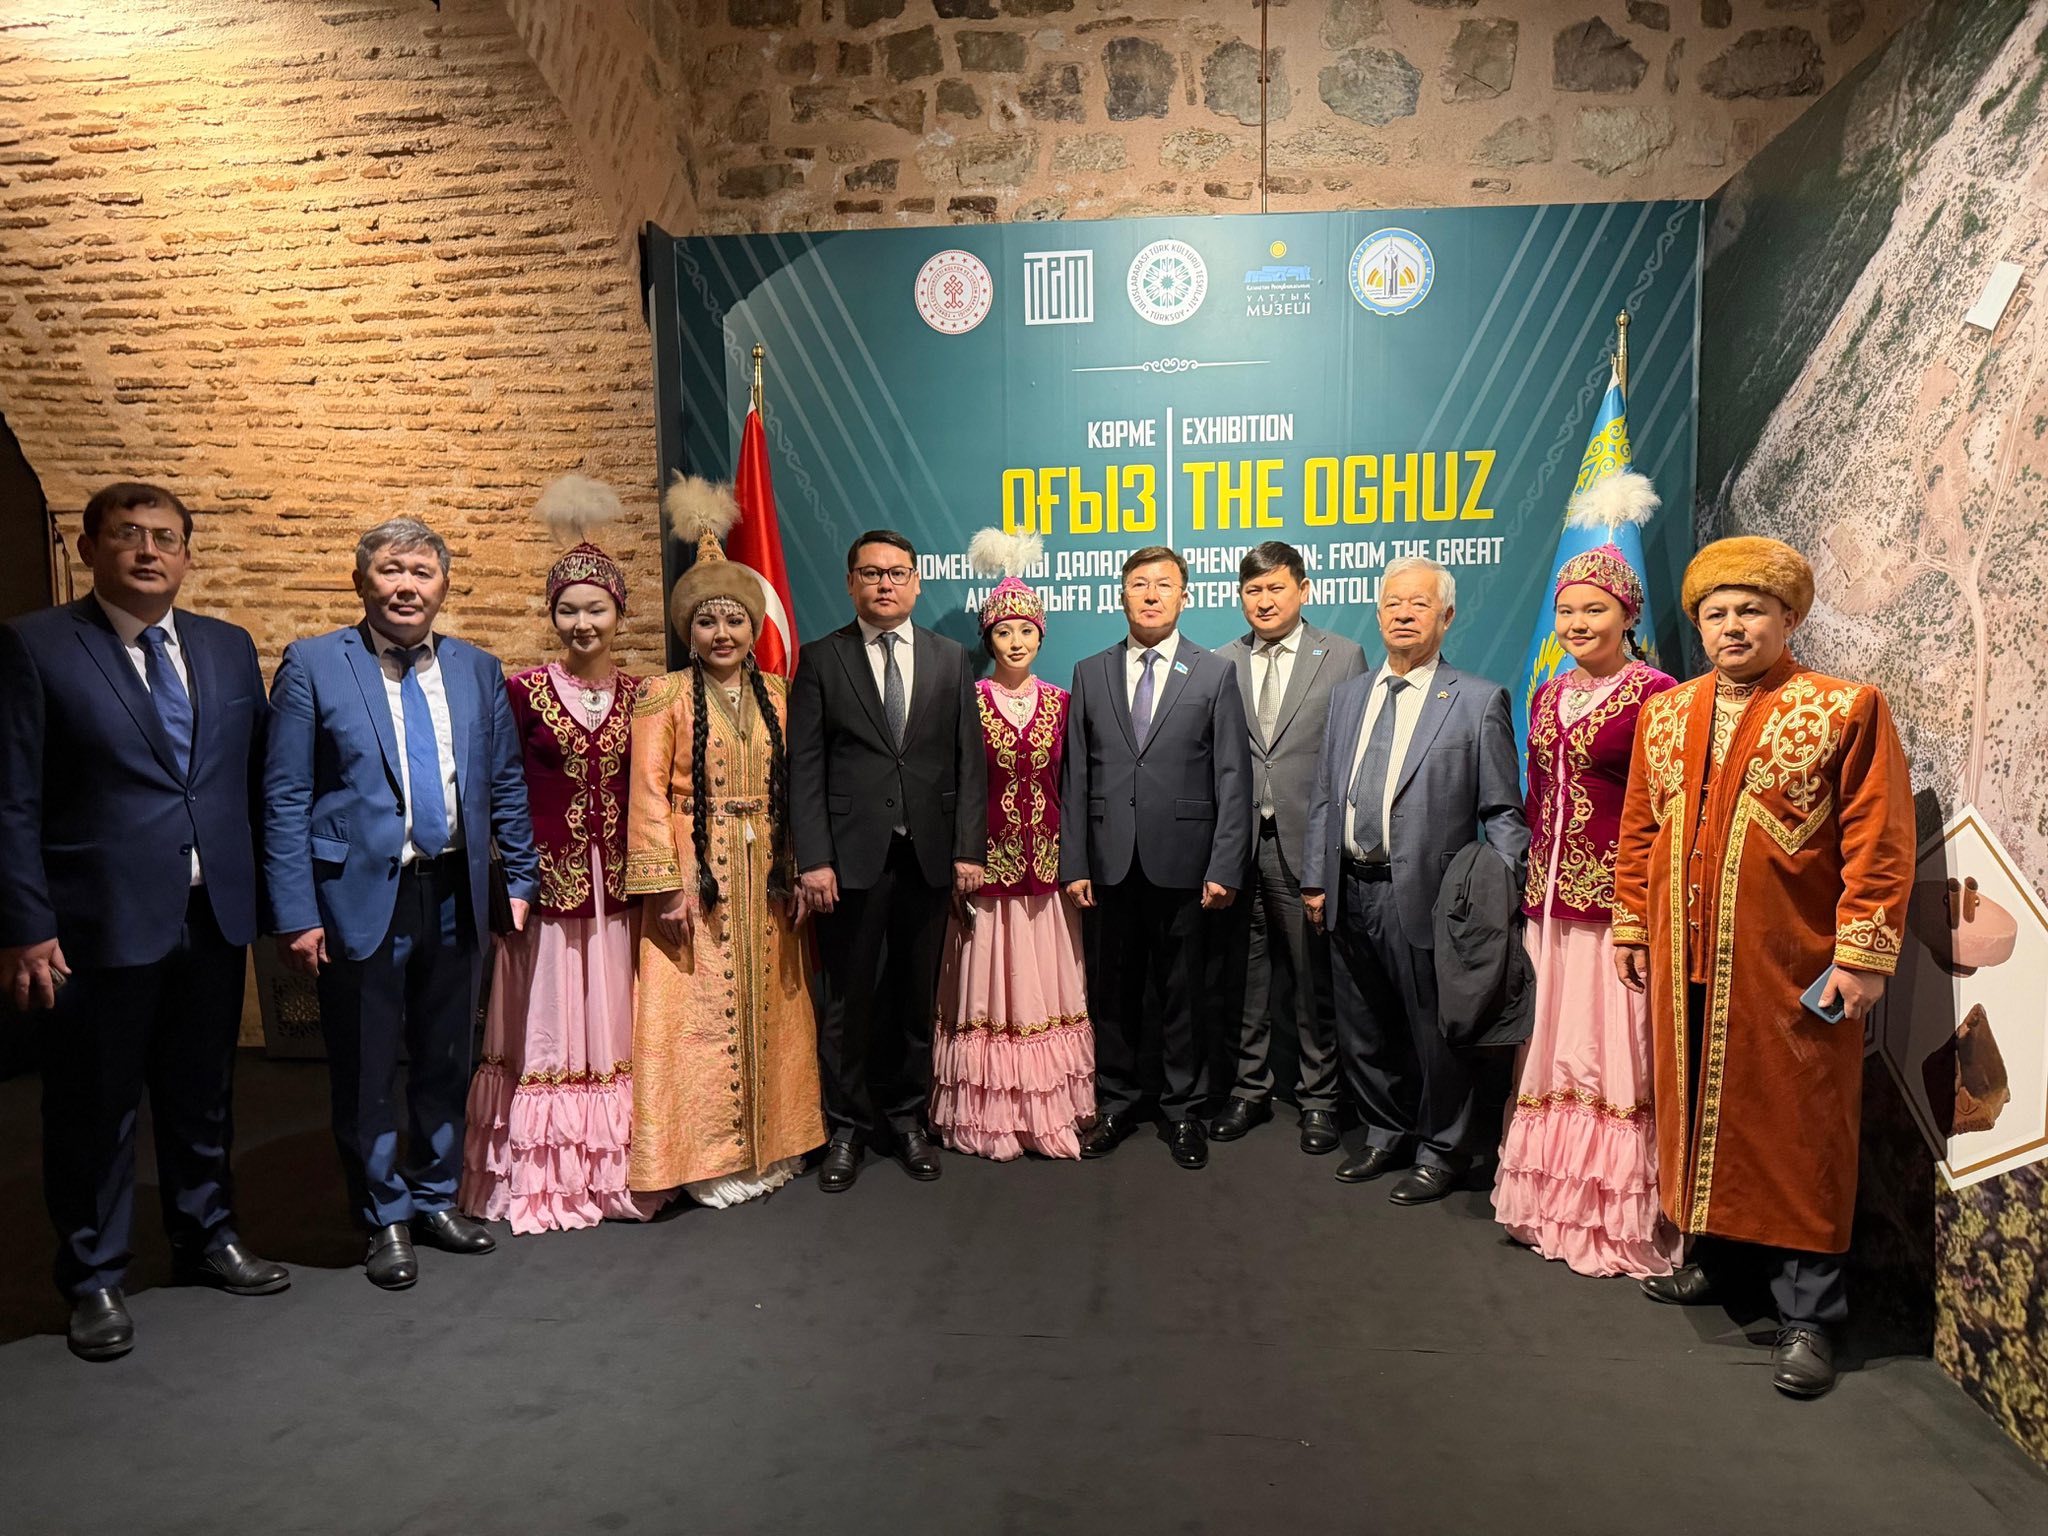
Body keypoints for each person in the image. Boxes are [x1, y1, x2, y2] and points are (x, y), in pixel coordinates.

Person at [1612, 536, 1913, 1398]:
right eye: (1716, 613)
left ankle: (1808, 1313)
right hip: (1687, 959)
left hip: (1791, 963)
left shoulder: (1845, 708)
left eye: (1751, 609)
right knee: (1701, 1108)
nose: (1732, 626)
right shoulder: (1667, 713)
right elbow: (1641, 827)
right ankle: (1721, 1265)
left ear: (1789, 618)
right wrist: (1632, 923)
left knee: (1797, 1124)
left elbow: (1879, 840)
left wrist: (1863, 954)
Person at [0, 482, 288, 1361]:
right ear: (89, 549)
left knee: (204, 1093)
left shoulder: (227, 647)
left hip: (210, 913)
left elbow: (255, 779)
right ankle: (94, 1275)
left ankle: (207, 1237)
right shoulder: (36, 647)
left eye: (165, 537)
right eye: (128, 534)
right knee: (95, 1106)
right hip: (95, 923)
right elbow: (11, 800)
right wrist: (25, 924)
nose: (148, 550)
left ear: (187, 555)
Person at [264, 517, 539, 1290]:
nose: (407, 585)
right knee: (366, 1064)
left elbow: (505, 783)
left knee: (447, 1056)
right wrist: (295, 911)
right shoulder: (314, 664)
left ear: (444, 584)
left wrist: (519, 882)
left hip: (455, 891)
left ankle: (434, 1197)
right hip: (357, 897)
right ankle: (383, 1214)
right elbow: (284, 795)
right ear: (361, 582)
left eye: (422, 571)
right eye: (391, 570)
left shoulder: (477, 669)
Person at [459, 478, 655, 1233]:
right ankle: (546, 1174)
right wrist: (507, 876)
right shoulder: (522, 692)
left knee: (617, 1024)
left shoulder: (646, 696)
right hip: (545, 891)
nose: (582, 623)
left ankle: (616, 1167)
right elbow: (496, 788)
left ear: (619, 613)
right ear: (552, 615)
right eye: (568, 610)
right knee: (543, 1024)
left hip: (623, 896)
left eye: (596, 608)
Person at [1302, 555, 1527, 1204]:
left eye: (1419, 603)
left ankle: (1442, 1150)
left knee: (1436, 1035)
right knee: (1362, 1026)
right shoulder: (1349, 696)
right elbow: (1325, 794)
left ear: (1447, 616)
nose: (1404, 614)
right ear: (1378, 613)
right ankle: (1384, 1133)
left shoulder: (1477, 700)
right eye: (1393, 603)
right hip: (1349, 887)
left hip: (1432, 900)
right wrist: (1316, 879)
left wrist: (1496, 896)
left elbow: (1503, 813)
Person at [623, 479, 824, 1206]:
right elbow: (647, 794)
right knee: (698, 1014)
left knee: (773, 1006)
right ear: (689, 630)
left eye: (734, 619)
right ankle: (703, 1154)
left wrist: (797, 868)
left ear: (752, 625)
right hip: (695, 873)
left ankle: (772, 1141)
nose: (722, 634)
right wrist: (665, 886)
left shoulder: (781, 697)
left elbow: (797, 789)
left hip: (766, 873)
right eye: (707, 621)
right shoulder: (664, 697)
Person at [1492, 539, 1680, 1278]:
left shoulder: (1658, 693)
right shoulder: (1548, 694)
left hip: (1615, 912)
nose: (1575, 623)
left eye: (1593, 609)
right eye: (1566, 610)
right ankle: (1549, 1203)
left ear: (1628, 615)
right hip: (1548, 909)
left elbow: (1664, 808)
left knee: (1610, 1054)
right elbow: (1538, 796)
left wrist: (1643, 902)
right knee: (1551, 1048)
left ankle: (1612, 1214)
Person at [789, 527, 986, 1193]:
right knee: (848, 1000)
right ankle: (846, 1127)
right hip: (848, 862)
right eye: (871, 573)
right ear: (850, 583)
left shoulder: (950, 658)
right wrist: (814, 858)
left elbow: (968, 761)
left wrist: (968, 848)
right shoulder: (822, 659)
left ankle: (907, 1119)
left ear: (917, 582)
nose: (885, 584)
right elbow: (805, 767)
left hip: (927, 857)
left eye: (897, 573)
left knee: (912, 995)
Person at [1063, 546, 1253, 1171]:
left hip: (1187, 864)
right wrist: (1075, 861)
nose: (1150, 595)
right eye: (1139, 584)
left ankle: (1184, 1110)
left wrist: (1225, 865)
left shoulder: (1213, 673)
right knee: (1113, 991)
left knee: (1184, 994)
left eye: (1164, 585)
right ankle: (1116, 1102)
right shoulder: (1089, 672)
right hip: (1110, 862)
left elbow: (1233, 776)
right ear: (1121, 595)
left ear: (1184, 596)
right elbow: (1076, 776)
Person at [930, 530, 1095, 1160]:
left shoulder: (1063, 703)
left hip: (1046, 878)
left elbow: (1074, 788)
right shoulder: (968, 702)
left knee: (1043, 988)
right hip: (987, 874)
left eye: (1027, 631)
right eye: (1004, 632)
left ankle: (1047, 1109)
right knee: (988, 990)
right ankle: (991, 1113)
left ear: (1041, 637)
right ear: (989, 638)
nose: (1016, 642)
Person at [1208, 542, 1366, 1155]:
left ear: (1303, 589)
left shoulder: (1343, 656)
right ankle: (1249, 1089)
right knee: (1244, 979)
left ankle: (1320, 1098)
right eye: (1253, 591)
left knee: (1310, 978)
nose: (1265, 601)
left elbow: (1350, 762)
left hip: (1308, 844)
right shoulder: (1221, 662)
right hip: (1236, 845)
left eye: (1276, 588)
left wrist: (1330, 857)